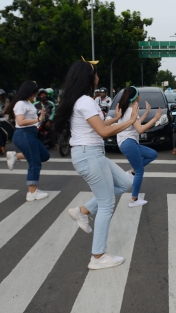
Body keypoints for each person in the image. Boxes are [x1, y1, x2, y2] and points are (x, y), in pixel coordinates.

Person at [54, 57, 139, 270]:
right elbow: (102, 132)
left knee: (124, 183)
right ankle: (98, 256)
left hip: (91, 155)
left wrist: (116, 119)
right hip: (89, 155)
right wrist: (129, 121)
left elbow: (96, 126)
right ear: (89, 78)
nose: (98, 77)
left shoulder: (79, 100)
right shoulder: (86, 101)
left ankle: (82, 211)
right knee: (107, 204)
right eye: (96, 74)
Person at [117, 86, 162, 207]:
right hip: (128, 143)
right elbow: (140, 129)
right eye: (139, 94)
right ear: (136, 97)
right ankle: (134, 199)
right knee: (140, 170)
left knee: (152, 154)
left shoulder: (126, 109)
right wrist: (155, 118)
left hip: (127, 143)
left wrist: (146, 113)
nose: (140, 96)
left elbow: (134, 123)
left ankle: (132, 172)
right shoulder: (131, 110)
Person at [5, 81, 50, 201]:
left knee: (44, 155)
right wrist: (37, 119)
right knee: (35, 163)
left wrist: (41, 118)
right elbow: (20, 121)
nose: (36, 94)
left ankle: (16, 156)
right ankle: (32, 192)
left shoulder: (28, 103)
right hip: (24, 134)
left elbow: (33, 120)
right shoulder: (20, 104)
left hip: (31, 134)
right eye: (35, 92)